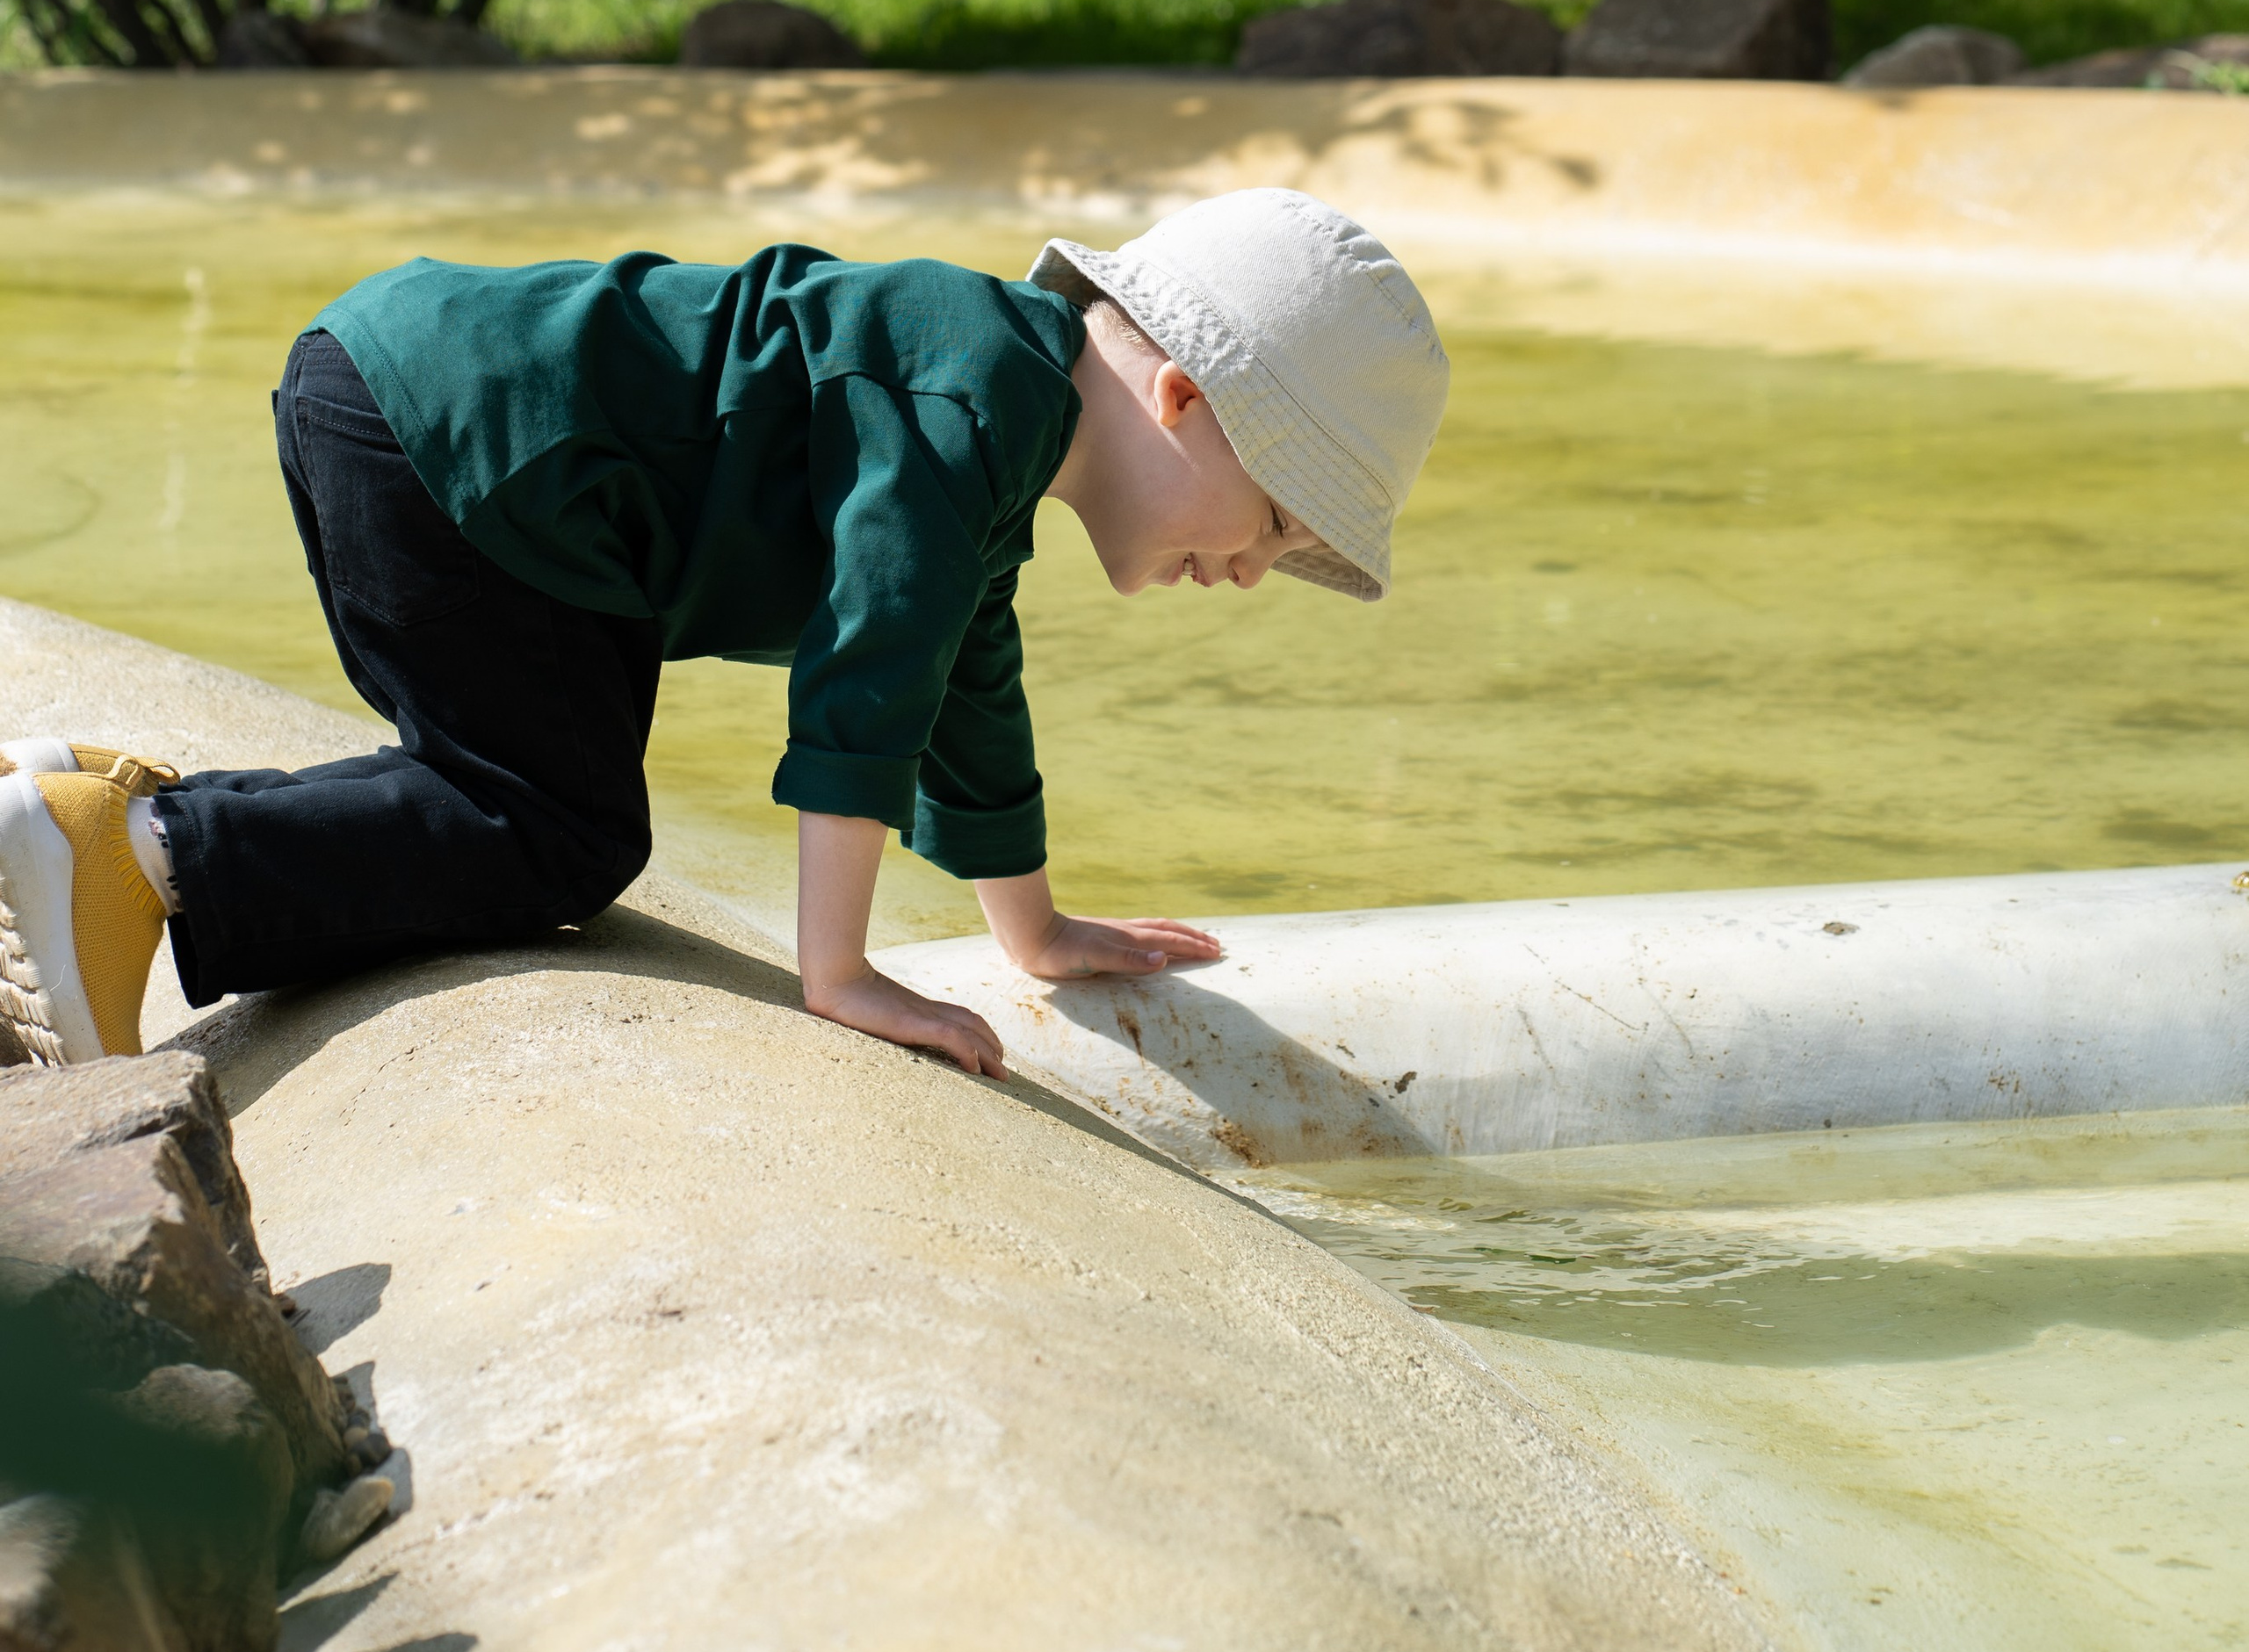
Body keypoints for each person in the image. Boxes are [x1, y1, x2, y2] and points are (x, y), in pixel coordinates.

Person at [0, 188, 1450, 1079]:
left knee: (507, 790)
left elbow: (960, 690)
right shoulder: (974, 410)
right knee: (551, 831)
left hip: (433, 417)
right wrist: (842, 975)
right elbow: (870, 677)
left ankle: (99, 808)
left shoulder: (993, 400)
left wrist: (1036, 928)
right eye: (1273, 523)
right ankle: (147, 859)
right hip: (464, 447)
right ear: (1189, 399)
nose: (1253, 572)